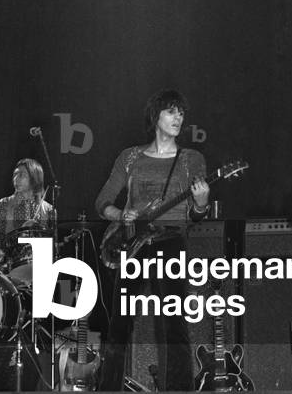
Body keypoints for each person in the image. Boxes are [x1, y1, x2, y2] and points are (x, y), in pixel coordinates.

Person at [94, 89, 210, 391]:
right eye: (172, 112)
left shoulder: (192, 159)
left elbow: (197, 215)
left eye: (181, 113)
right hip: (133, 244)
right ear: (155, 117)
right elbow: (102, 201)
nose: (178, 118)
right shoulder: (130, 157)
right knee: (119, 324)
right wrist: (121, 214)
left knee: (175, 325)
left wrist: (201, 203)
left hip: (170, 243)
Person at [0, 158, 56, 283]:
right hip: (7, 273)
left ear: (34, 178)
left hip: (40, 274)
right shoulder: (3, 204)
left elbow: (53, 247)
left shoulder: (49, 210)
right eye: (15, 174)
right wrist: (20, 233)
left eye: (22, 175)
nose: (16, 178)